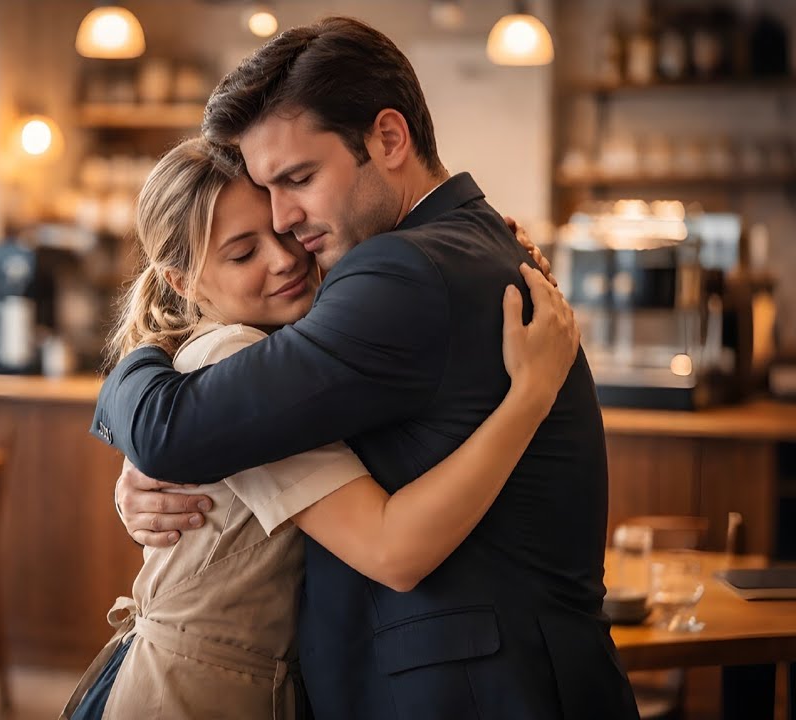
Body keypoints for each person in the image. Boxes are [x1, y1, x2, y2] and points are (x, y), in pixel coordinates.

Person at [92, 17, 639, 720]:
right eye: (268, 194)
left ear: (388, 138)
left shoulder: (401, 272)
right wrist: (146, 469)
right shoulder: (462, 243)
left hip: (476, 694)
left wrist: (136, 368)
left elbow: (173, 429)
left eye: (299, 179)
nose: (285, 222)